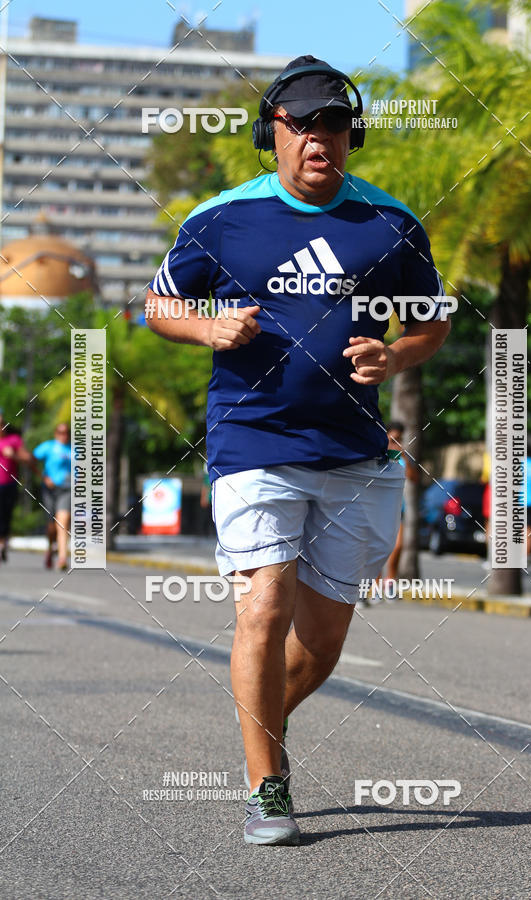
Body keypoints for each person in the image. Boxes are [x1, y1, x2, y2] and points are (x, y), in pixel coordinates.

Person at [146, 55, 451, 845]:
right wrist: (204, 325)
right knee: (263, 606)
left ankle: (256, 728)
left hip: (352, 452)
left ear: (354, 135)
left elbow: (432, 320)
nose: (321, 138)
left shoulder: (389, 223)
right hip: (253, 441)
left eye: (336, 124)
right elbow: (158, 304)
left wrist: (399, 356)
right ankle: (268, 786)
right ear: (271, 134)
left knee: (319, 646)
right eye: (304, 123)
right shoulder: (220, 220)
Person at [381, 421, 418, 590]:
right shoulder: (379, 455)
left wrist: (403, 456)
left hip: (397, 508)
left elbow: (413, 477)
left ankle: (390, 580)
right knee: (377, 549)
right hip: (378, 507)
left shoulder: (400, 458)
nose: (397, 443)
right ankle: (373, 586)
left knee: (398, 546)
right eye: (394, 439)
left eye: (400, 439)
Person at [33, 423, 72, 570]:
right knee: (51, 525)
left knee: (63, 521)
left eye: (67, 432)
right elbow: (32, 460)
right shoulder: (48, 447)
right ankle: (50, 548)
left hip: (67, 489)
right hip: (50, 490)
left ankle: (62, 558)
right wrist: (43, 477)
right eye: (61, 432)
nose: (64, 435)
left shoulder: (75, 450)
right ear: (56, 434)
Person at [0, 412, 37, 563]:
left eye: (1, 424)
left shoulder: (13, 440)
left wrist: (14, 455)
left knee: (5, 514)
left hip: (8, 484)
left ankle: (2, 544)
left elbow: (29, 458)